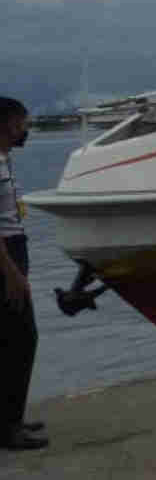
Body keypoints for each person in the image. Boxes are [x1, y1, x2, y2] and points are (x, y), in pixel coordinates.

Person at [0, 97, 45, 451]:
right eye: (20, 123)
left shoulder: (5, 160)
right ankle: (8, 427)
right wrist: (12, 272)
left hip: (16, 247)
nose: (24, 130)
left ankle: (11, 418)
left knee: (13, 338)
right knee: (21, 339)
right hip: (6, 255)